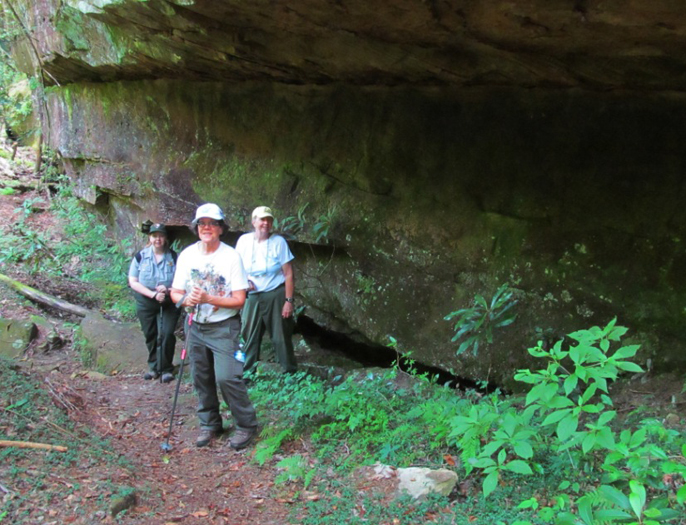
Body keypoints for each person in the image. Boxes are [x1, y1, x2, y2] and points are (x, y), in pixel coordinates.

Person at [170, 203, 258, 449]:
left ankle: (246, 425)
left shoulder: (231, 257)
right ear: (196, 227)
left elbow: (239, 300)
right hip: (195, 326)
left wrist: (209, 299)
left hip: (224, 327)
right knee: (201, 377)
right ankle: (210, 424)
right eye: (202, 223)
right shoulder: (188, 255)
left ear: (220, 228)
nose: (206, 227)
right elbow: (175, 292)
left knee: (227, 377)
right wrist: (186, 300)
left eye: (212, 223)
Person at [235, 206, 297, 376]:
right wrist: (244, 281)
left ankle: (290, 371)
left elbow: (289, 273)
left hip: (275, 293)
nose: (266, 223)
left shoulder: (279, 242)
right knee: (248, 334)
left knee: (280, 336)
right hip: (251, 295)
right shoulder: (243, 241)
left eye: (269, 220)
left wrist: (288, 301)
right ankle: (246, 372)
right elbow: (236, 267)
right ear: (254, 222)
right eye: (262, 220)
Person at [128, 223, 181, 383]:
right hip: (146, 301)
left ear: (165, 238)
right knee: (150, 334)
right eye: (154, 235)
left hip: (168, 301)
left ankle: (166, 368)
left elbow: (182, 282)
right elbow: (133, 281)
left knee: (166, 333)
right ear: (149, 238)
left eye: (161, 235)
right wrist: (152, 294)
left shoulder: (174, 257)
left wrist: (168, 289)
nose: (158, 239)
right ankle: (153, 367)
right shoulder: (140, 256)